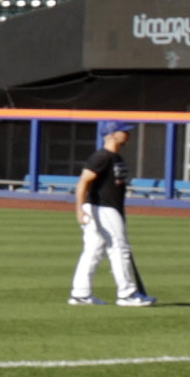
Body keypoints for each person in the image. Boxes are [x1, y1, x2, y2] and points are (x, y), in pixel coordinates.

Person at [71, 124, 152, 305]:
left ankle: (80, 293)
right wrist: (79, 208)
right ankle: (127, 294)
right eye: (124, 130)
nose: (128, 133)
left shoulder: (115, 157)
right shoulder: (101, 157)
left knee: (93, 251)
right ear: (112, 135)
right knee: (119, 249)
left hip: (106, 207)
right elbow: (82, 182)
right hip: (102, 207)